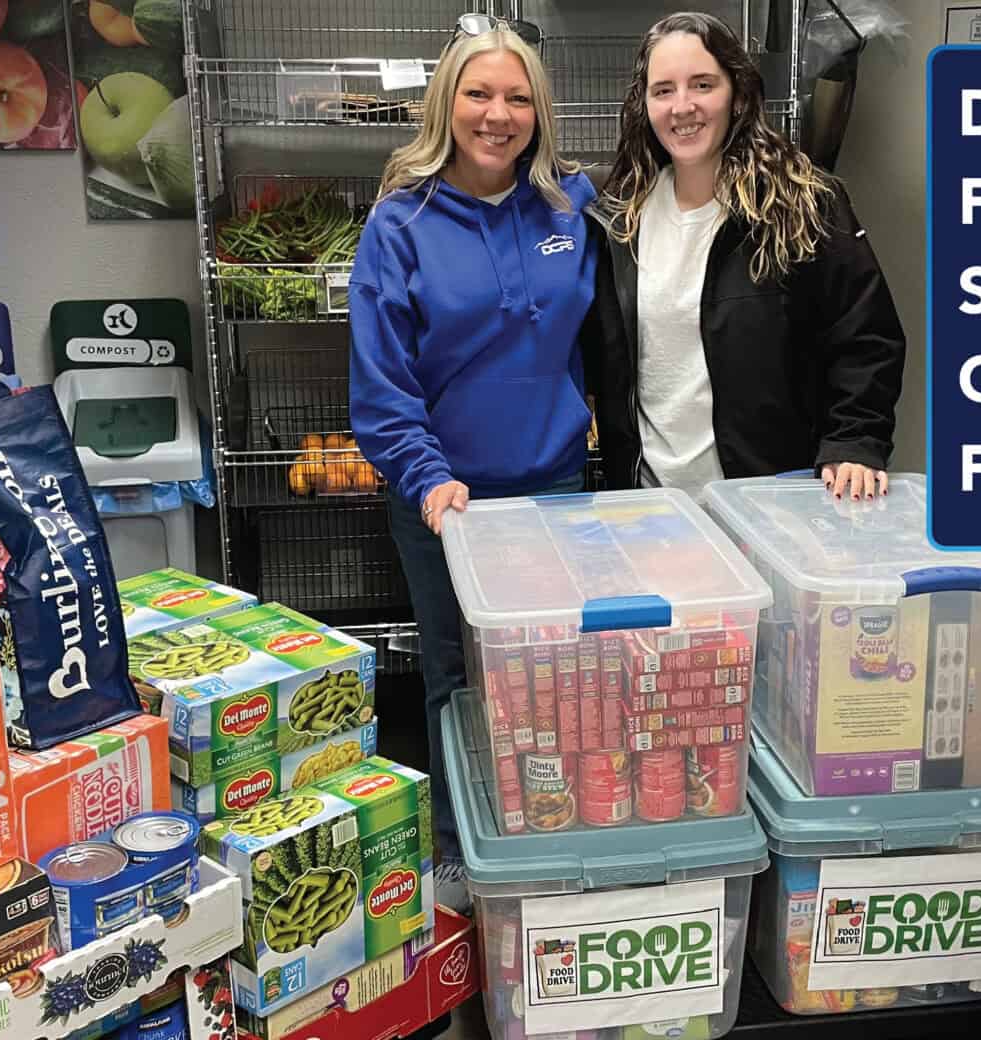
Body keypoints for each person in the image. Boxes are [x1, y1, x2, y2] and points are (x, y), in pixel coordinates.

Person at [349, 15, 597, 906]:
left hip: (557, 493)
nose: (498, 115)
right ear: (446, 105)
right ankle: (458, 854)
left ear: (540, 111)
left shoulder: (574, 205)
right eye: (479, 94)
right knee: (458, 681)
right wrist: (427, 478)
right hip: (447, 506)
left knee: (556, 677)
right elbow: (381, 383)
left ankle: (551, 833)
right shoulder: (401, 225)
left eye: (518, 98)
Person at [584, 11, 905, 500]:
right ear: (644, 105)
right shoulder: (620, 218)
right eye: (663, 90)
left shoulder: (800, 204)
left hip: (767, 501)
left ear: (736, 94)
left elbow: (865, 334)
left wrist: (855, 441)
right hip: (652, 502)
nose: (682, 106)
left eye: (703, 84)